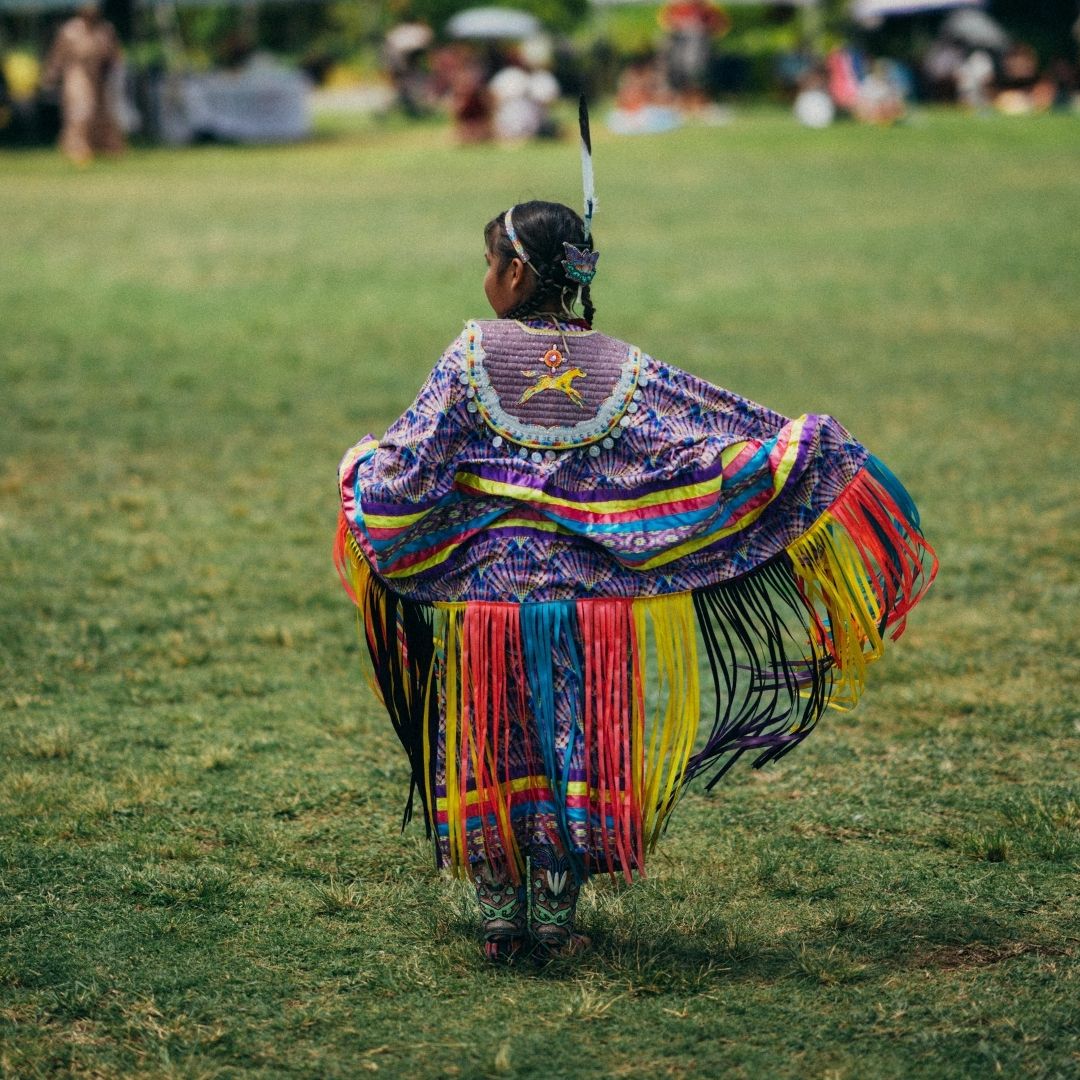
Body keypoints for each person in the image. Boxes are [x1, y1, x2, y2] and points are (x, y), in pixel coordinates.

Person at [334, 108, 937, 962]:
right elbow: (700, 436)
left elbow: (413, 474)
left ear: (515, 272)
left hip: (488, 608)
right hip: (586, 609)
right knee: (569, 745)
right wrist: (793, 450)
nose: (486, 276)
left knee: (485, 743)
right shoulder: (621, 367)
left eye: (490, 261)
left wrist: (363, 466)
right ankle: (556, 919)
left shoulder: (470, 355)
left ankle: (501, 919)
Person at [42, 1, 125, 165]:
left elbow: (115, 55)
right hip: (76, 73)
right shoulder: (70, 30)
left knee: (102, 113)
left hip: (99, 75)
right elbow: (58, 56)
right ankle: (76, 148)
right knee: (81, 111)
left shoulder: (105, 30)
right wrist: (50, 76)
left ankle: (103, 147)